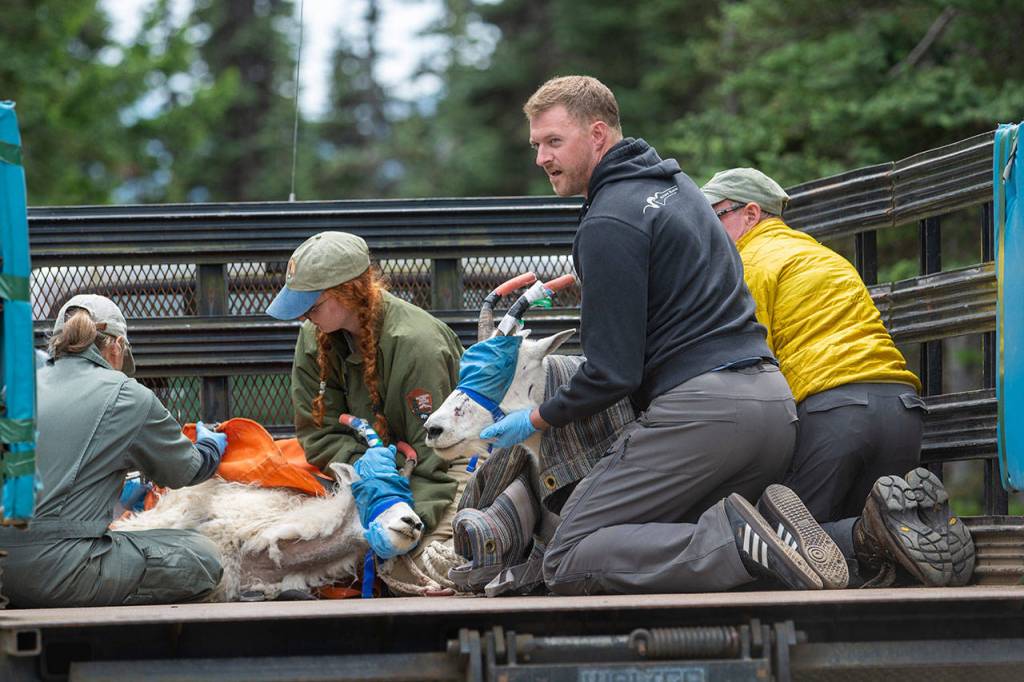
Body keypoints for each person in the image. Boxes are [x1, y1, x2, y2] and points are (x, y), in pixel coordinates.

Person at [480, 75, 850, 595]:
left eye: (554, 141)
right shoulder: (682, 191)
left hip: (704, 417)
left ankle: (738, 543)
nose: (541, 157)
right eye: (536, 144)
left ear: (599, 134)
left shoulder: (609, 221)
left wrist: (535, 418)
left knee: (569, 556)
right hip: (773, 407)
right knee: (673, 541)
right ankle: (861, 538)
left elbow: (612, 374)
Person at [700, 168, 975, 587]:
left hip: (834, 415)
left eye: (711, 219)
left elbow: (745, 369)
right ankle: (913, 535)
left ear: (751, 214)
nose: (704, 233)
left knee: (783, 550)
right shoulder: (825, 257)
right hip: (901, 410)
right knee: (861, 561)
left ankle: (873, 541)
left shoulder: (748, 263)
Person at [266, 231, 464, 591]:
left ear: (348, 292)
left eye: (311, 306)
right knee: (280, 545)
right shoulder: (315, 336)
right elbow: (318, 433)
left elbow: (439, 460)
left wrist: (401, 521)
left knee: (420, 568)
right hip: (356, 475)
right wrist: (365, 467)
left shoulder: (418, 345)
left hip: (442, 470)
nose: (304, 317)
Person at [0, 295, 226, 608]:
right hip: (61, 571)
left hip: (2, 572)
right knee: (203, 555)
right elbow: (185, 471)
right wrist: (210, 446)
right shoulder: (127, 394)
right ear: (117, 347)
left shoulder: (16, 388)